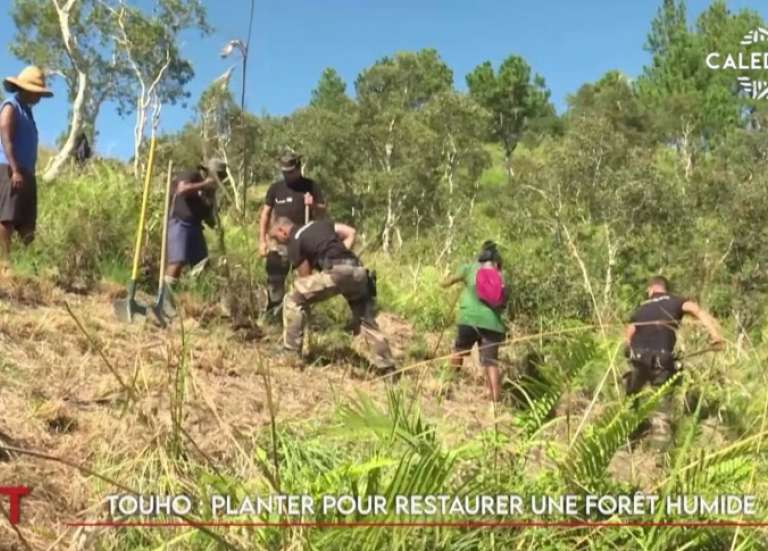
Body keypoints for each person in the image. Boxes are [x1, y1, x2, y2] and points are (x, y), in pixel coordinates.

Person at [269, 216, 394, 371]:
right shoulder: (319, 224)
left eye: (277, 238)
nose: (280, 243)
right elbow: (350, 232)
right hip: (359, 272)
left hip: (337, 272)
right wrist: (342, 255)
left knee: (293, 298)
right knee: (365, 321)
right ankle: (387, 365)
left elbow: (305, 278)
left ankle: (290, 352)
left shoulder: (295, 240)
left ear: (283, 231)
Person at [624, 275, 724, 448]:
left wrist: (628, 350)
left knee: (630, 399)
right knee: (661, 411)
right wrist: (715, 335)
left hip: (637, 359)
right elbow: (696, 310)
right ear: (664, 288)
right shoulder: (676, 300)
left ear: (651, 289)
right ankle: (658, 461)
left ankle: (628, 440)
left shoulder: (642, 308)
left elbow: (629, 334)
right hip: (662, 360)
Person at [259, 152, 326, 318]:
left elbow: (323, 211)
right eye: (284, 172)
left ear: (298, 168)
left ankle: (303, 316)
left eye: (290, 171)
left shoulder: (311, 186)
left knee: (305, 282)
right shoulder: (275, 188)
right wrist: (262, 240)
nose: (287, 175)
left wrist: (314, 205)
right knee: (274, 278)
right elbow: (265, 215)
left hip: (303, 242)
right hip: (279, 242)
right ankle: (275, 314)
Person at [442, 241, 508, 402]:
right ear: (497, 261)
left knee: (459, 351)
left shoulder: (469, 268)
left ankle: (446, 388)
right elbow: (503, 303)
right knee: (491, 363)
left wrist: (447, 278)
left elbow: (445, 283)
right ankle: (495, 403)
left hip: (468, 319)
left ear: (480, 258)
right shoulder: (501, 276)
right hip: (493, 324)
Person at [0, 66, 53, 258]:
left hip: (27, 171)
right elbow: (6, 138)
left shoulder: (27, 112)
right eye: (36, 93)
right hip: (10, 169)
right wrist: (15, 170)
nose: (38, 97)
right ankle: (4, 260)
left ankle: (27, 261)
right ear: (25, 89)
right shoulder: (10, 106)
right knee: (7, 216)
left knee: (27, 220)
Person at [165, 159, 227, 289]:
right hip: (179, 222)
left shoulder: (210, 192)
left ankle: (195, 297)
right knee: (177, 261)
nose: (220, 180)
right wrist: (204, 184)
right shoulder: (192, 174)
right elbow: (182, 190)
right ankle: (166, 295)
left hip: (195, 227)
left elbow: (208, 215)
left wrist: (217, 226)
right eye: (218, 176)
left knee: (202, 264)